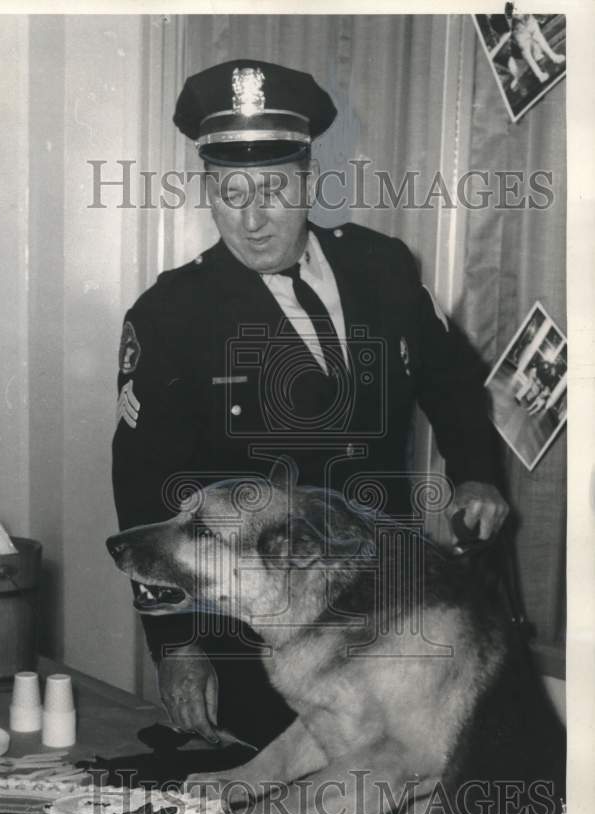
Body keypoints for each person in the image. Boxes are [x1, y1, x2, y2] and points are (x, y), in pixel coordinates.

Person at [112, 59, 508, 750]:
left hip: (389, 601)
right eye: (230, 192)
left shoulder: (382, 270)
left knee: (399, 783)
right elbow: (143, 486)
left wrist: (474, 471)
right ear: (206, 192)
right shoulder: (171, 314)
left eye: (272, 188)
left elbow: (449, 381)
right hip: (255, 628)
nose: (254, 216)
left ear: (307, 182)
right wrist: (174, 644)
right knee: (279, 801)